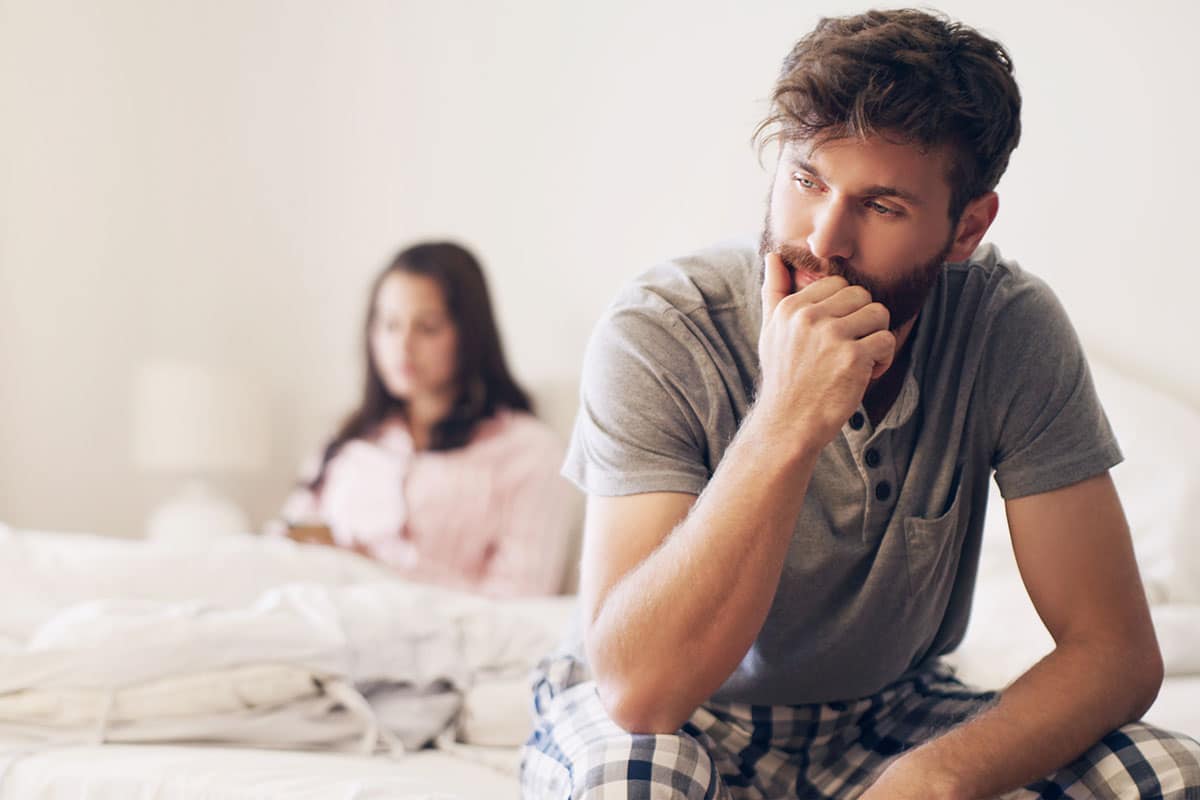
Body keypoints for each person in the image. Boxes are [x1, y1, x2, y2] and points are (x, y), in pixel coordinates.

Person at [521, 9, 1200, 799]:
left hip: (887, 714)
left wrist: (935, 777)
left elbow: (1115, 650)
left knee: (1164, 773)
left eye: (881, 206)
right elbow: (640, 694)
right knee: (637, 781)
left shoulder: (1007, 328)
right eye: (807, 180)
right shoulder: (662, 328)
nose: (825, 237)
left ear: (966, 228)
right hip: (673, 715)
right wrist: (785, 418)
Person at [273, 241, 575, 598]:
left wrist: (374, 568)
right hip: (311, 615)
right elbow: (282, 542)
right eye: (389, 325)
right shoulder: (348, 441)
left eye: (428, 327)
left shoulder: (528, 451)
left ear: (470, 334)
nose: (403, 345)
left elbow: (521, 597)